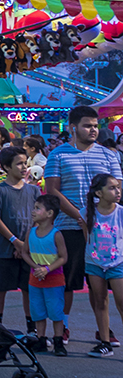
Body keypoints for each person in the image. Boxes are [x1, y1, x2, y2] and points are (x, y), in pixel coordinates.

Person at [43, 105, 120, 337]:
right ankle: (63, 326)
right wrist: (80, 216)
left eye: (96, 126)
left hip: (104, 230)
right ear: (73, 127)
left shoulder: (109, 154)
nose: (93, 130)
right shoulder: (58, 154)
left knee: (101, 283)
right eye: (87, 126)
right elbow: (52, 192)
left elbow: (118, 189)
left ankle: (103, 330)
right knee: (67, 280)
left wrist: (98, 217)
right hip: (69, 227)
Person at [0, 144, 35, 332]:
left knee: (28, 290)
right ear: (6, 167)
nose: (24, 168)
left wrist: (26, 245)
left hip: (29, 249)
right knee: (0, 289)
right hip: (4, 249)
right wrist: (16, 241)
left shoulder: (33, 191)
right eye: (19, 164)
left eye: (25, 163)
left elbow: (37, 219)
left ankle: (32, 330)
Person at [84, 172, 123, 357]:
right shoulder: (86, 212)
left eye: (118, 187)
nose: (117, 191)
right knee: (100, 301)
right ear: (98, 193)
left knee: (121, 301)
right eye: (112, 187)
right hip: (94, 263)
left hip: (118, 263)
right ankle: (105, 342)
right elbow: (86, 235)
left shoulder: (121, 212)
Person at [26, 191, 68, 355]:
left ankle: (58, 341)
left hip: (54, 278)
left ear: (50, 214)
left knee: (56, 311)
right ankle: (41, 340)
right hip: (35, 278)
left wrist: (47, 269)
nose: (33, 211)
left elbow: (63, 257)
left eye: (38, 208)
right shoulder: (30, 232)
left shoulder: (56, 234)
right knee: (37, 311)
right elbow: (24, 253)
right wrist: (36, 267)